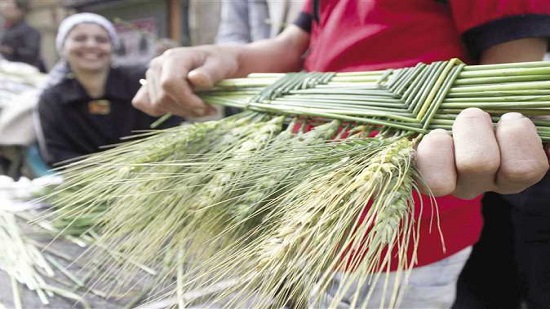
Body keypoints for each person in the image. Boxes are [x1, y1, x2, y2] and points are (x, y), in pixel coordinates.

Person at [132, 1, 550, 307]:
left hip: (410, 227)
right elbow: (292, 48)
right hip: (303, 211)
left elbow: (506, 91)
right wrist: (225, 57)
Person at [35, 13, 181, 166]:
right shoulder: (52, 98)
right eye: (80, 39)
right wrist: (104, 174)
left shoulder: (141, 82)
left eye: (101, 39)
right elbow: (57, 153)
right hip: (89, 183)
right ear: (63, 47)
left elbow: (169, 129)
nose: (91, 45)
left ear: (113, 46)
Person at [0, 0, 45, 72]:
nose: (6, 12)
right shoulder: (5, 30)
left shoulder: (30, 31)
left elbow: (32, 53)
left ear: (20, 11)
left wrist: (11, 51)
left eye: (10, 9)